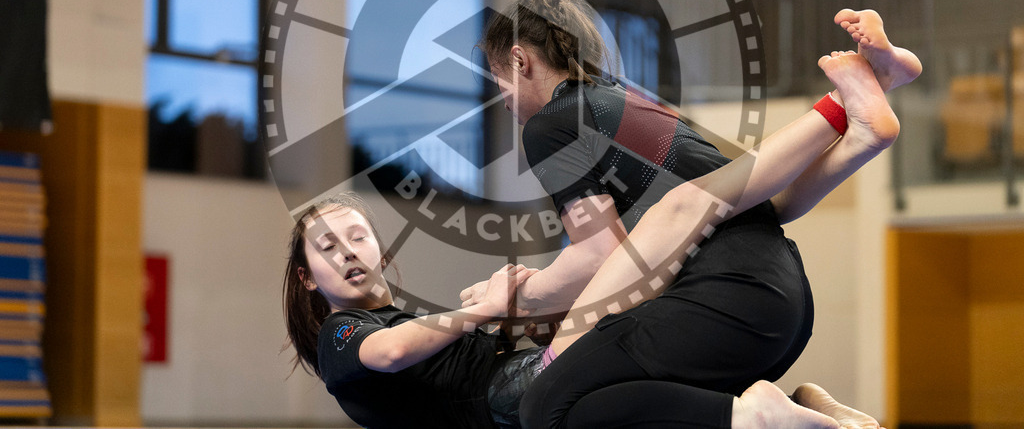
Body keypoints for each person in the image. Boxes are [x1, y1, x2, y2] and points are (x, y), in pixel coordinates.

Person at [455, 0, 920, 428]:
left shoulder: (551, 123)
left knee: (546, 408)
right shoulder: (628, 105)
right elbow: (762, 196)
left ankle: (762, 412)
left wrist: (518, 297)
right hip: (783, 302)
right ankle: (806, 409)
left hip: (724, 298)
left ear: (519, 60)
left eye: (500, 84)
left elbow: (598, 252)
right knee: (609, 400)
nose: (505, 102)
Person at [284, 192, 882, 429]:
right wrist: (486, 310)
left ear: (381, 250)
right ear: (309, 279)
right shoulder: (342, 335)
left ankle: (771, 410)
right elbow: (387, 353)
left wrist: (509, 312)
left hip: (523, 389)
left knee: (622, 265)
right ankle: (779, 407)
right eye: (329, 248)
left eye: (357, 237)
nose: (348, 253)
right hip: (513, 395)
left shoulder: (401, 318)